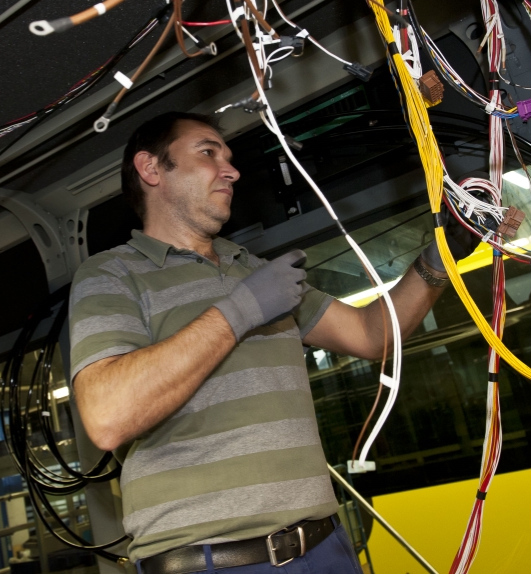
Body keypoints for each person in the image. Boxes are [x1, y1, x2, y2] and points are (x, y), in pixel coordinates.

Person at [69, 111, 476, 573]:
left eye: (229, 157)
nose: (232, 169)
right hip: (214, 562)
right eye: (207, 152)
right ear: (151, 169)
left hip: (326, 547)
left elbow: (372, 334)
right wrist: (238, 311)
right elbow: (108, 416)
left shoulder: (252, 269)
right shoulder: (111, 274)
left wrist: (440, 258)